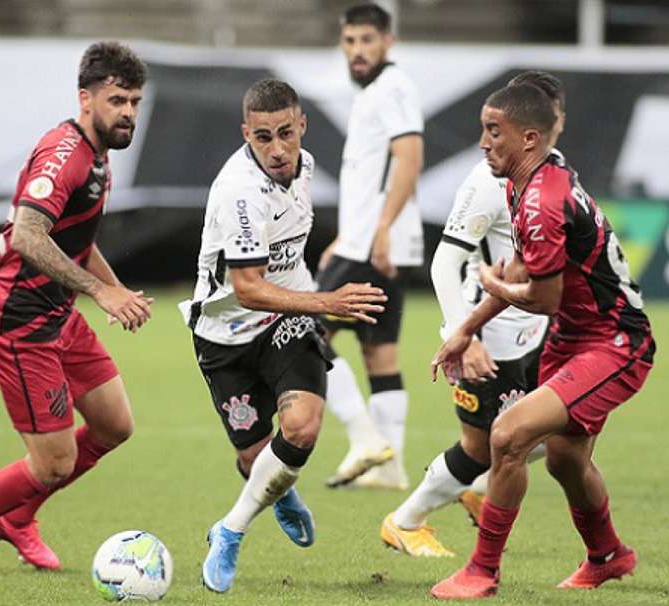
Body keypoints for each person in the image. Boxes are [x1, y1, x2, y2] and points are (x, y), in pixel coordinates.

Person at [0, 41, 153, 576]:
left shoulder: (99, 156)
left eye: (135, 101)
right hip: (18, 320)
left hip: (56, 313)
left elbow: (76, 237)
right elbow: (27, 235)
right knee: (54, 462)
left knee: (114, 424)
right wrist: (98, 292)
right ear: (85, 99)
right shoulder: (64, 155)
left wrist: (113, 287)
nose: (129, 113)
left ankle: (17, 518)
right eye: (117, 100)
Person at [429, 83, 655, 599]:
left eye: (493, 132)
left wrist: (494, 285)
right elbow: (520, 269)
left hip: (615, 342)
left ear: (528, 138)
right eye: (484, 129)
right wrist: (466, 327)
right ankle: (608, 556)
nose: (483, 142)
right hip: (575, 338)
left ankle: (482, 572)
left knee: (506, 436)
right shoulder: (530, 177)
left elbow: (542, 297)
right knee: (563, 459)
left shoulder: (540, 200)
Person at [179, 78, 386, 593]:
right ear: (245, 133)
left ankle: (229, 531)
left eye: (286, 134)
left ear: (302, 127)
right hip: (225, 333)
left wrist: (316, 300)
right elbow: (248, 289)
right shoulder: (239, 194)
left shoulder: (307, 165)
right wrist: (329, 302)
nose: (277, 150)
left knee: (301, 428)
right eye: (263, 137)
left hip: (287, 319)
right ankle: (279, 491)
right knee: (256, 460)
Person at [380, 72, 565, 558]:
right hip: (490, 338)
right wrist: (464, 333)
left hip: (536, 333)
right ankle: (405, 521)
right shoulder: (487, 182)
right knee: (483, 447)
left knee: (562, 426)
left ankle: (476, 488)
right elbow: (445, 262)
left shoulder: (555, 171)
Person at [319, 2, 424, 490]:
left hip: (373, 245)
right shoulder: (375, 93)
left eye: (366, 40)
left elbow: (409, 158)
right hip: (370, 240)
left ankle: (365, 439)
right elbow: (371, 176)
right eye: (350, 42)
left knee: (303, 335)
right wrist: (348, 233)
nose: (357, 51)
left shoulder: (392, 88)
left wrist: (379, 229)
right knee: (380, 352)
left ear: (388, 41)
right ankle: (390, 466)